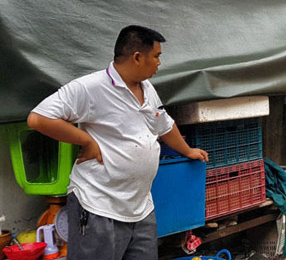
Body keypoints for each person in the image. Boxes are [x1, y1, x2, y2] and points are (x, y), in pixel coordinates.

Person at [27, 25, 209, 260]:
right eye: (156, 57)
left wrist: (188, 150)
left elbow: (163, 124)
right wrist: (86, 140)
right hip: (99, 205)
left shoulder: (146, 87)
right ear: (137, 57)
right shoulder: (90, 87)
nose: (159, 63)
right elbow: (38, 118)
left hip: (140, 205)